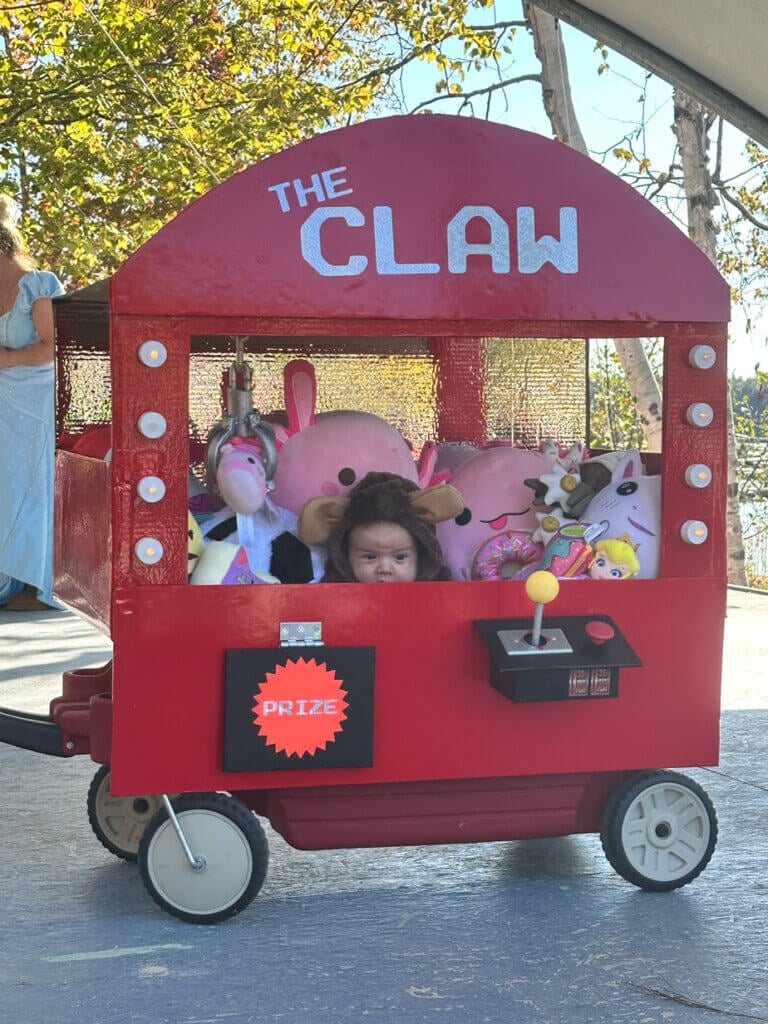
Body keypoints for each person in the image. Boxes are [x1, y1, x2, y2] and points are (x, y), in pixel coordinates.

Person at [0, 194, 65, 610]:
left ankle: (34, 587)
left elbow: (53, 348)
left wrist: (6, 359)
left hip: (36, 403)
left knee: (34, 489)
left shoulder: (39, 283)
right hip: (3, 401)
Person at [298, 471, 464, 583]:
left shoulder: (436, 600)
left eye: (400, 557)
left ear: (420, 557)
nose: (384, 569)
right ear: (345, 556)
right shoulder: (336, 600)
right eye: (370, 557)